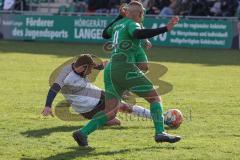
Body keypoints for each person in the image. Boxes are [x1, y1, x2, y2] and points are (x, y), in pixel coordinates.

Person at [73, 1, 181, 147]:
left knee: (110, 112)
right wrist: (165, 28)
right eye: (142, 14)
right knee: (155, 98)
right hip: (125, 68)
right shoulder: (132, 23)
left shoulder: (119, 24)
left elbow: (105, 34)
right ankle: (160, 132)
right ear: (140, 15)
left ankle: (83, 133)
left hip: (111, 70)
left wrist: (119, 17)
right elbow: (137, 33)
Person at [42, 54, 153, 126]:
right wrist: (47, 106)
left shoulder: (82, 65)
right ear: (83, 67)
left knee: (124, 107)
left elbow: (96, 66)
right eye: (89, 69)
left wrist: (102, 66)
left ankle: (160, 117)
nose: (90, 72)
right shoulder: (65, 75)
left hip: (97, 96)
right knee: (116, 122)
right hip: (87, 109)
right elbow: (54, 89)